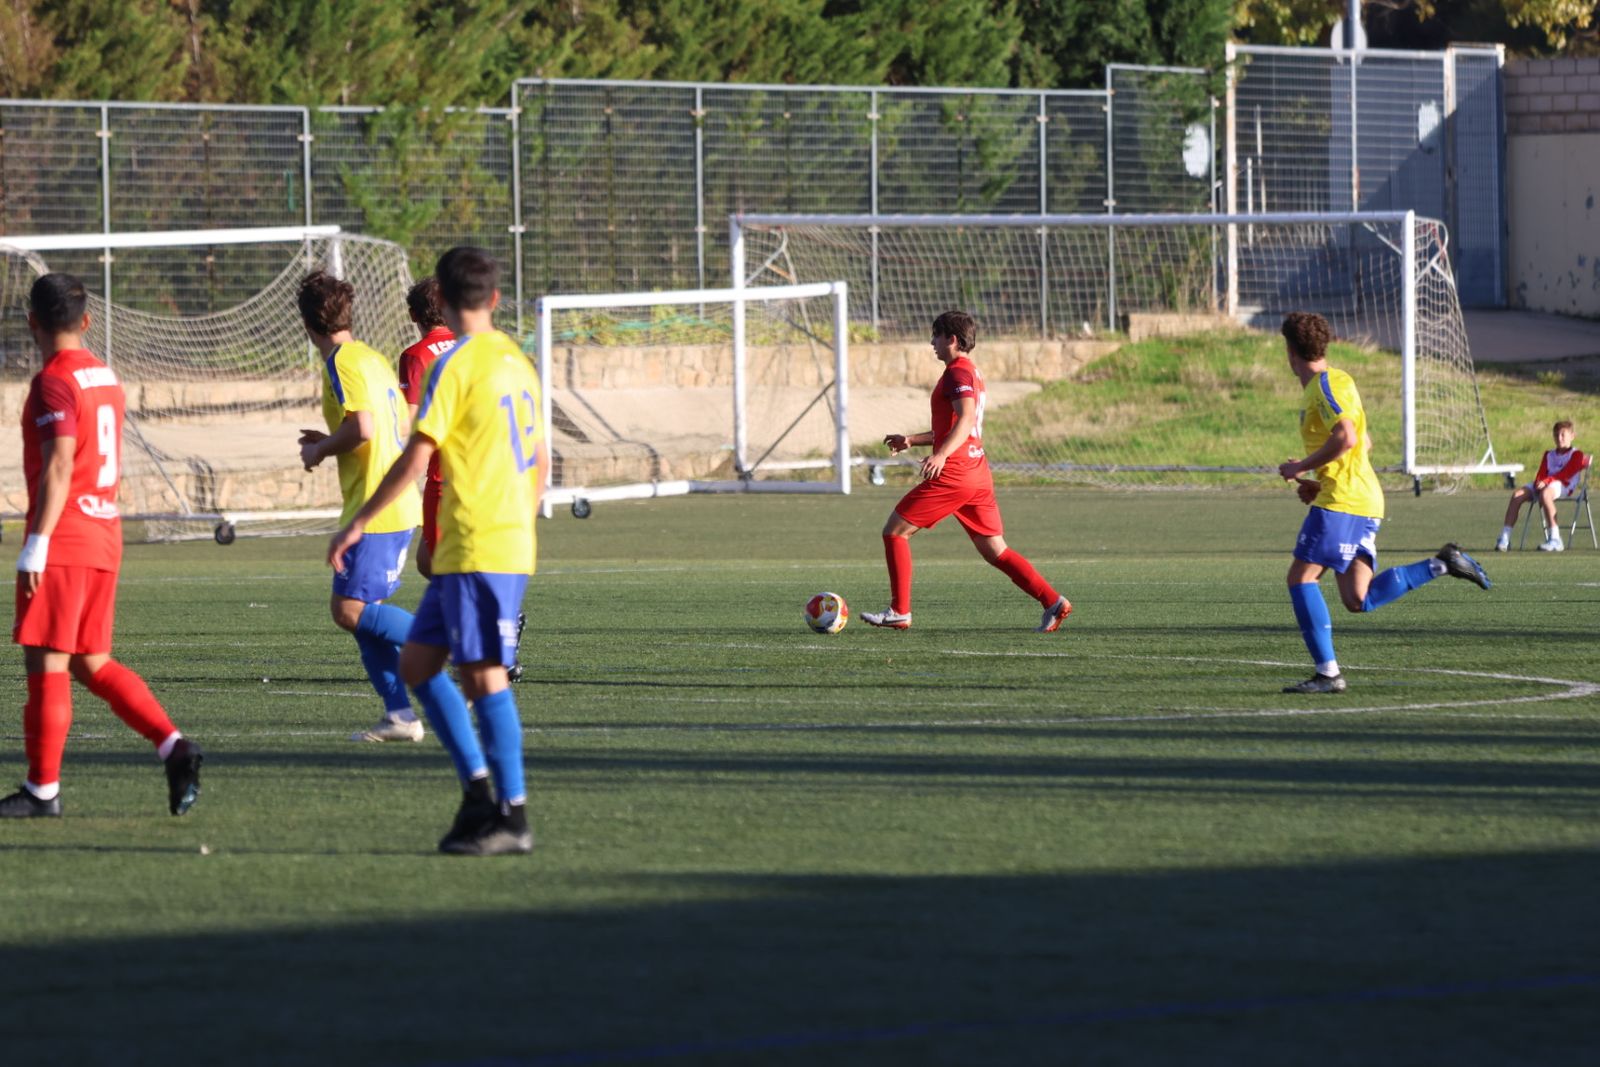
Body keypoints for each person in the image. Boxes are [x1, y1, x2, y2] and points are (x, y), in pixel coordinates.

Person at [329, 246, 542, 857]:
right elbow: (542, 459)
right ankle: (477, 794)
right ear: (495, 298)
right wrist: (523, 522)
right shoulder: (517, 361)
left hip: (477, 542)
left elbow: (415, 457)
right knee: (420, 666)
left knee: (483, 677)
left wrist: (358, 521)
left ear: (442, 300)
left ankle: (511, 813)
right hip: (495, 539)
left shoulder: (455, 366)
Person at [3, 273, 203, 818]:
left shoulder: (53, 380)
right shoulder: (103, 375)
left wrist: (36, 543)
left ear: (32, 322)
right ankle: (174, 746)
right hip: (103, 534)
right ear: (87, 320)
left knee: (47, 661)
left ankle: (42, 790)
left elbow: (60, 464)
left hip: (65, 537)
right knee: (90, 662)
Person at [1276, 311, 1491, 695]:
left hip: (1345, 501)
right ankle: (1443, 563)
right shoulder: (1335, 382)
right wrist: (1320, 481)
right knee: (1357, 599)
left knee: (1301, 578)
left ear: (1290, 351)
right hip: (1357, 497)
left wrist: (1301, 467)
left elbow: (1348, 438)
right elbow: (1364, 442)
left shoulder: (1325, 385)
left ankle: (1328, 674)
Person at [860, 310, 1071, 633]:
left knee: (895, 532)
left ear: (952, 339)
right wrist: (912, 440)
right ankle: (1053, 602)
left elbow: (967, 419)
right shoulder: (970, 371)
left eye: (936, 335)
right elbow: (955, 427)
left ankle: (900, 611)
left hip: (955, 474)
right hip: (976, 472)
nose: (932, 342)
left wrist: (941, 455)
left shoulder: (957, 373)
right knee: (996, 551)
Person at [295, 271, 425, 743]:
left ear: (307, 323)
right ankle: (400, 716)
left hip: (376, 505)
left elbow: (364, 429)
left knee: (348, 611)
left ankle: (445, 644)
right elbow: (384, 427)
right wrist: (331, 439)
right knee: (362, 616)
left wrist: (320, 449)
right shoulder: (371, 357)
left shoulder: (342, 361)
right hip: (390, 501)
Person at [397, 277, 527, 680]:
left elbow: (411, 423)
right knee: (428, 561)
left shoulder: (416, 355)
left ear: (413, 315)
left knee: (449, 569)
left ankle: (497, 633)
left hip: (444, 475)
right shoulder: (477, 349)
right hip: (491, 472)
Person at [1494, 420, 1587, 553]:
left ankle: (1555, 539)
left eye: (1563, 435)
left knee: (1546, 494)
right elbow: (1541, 473)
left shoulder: (1576, 454)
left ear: (1572, 436)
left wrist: (1546, 482)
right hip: (1545, 484)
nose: (1559, 438)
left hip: (1564, 485)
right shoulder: (1549, 454)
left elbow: (1566, 474)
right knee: (1517, 495)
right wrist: (1539, 483)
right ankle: (1505, 538)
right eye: (1556, 435)